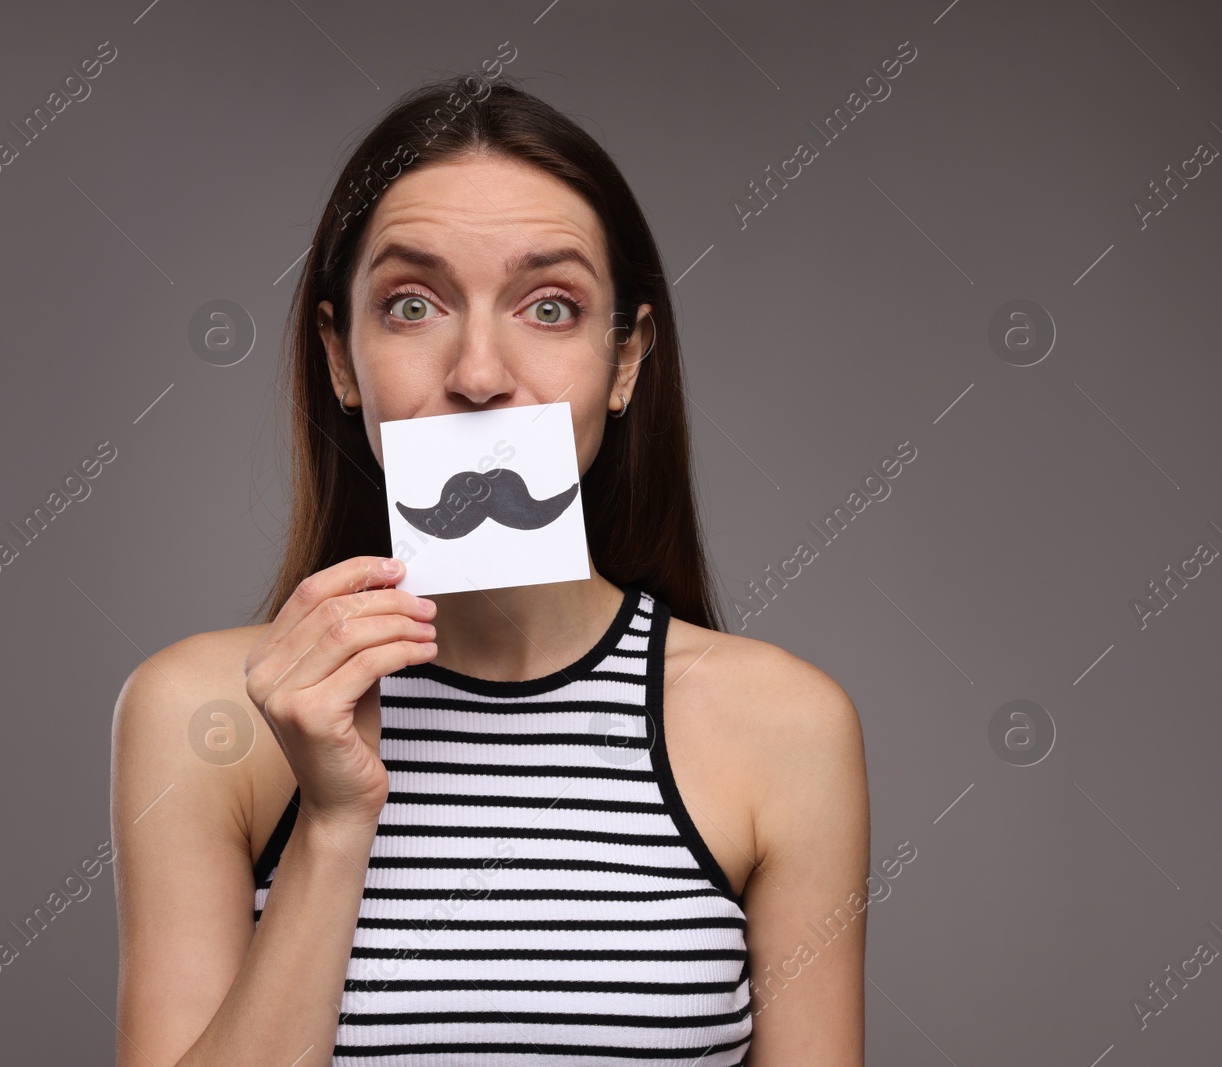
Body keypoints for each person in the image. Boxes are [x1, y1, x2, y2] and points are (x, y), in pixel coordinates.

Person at [110, 72, 869, 1067]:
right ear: (342, 358)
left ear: (626, 357)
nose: (477, 374)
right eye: (412, 303)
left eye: (548, 306)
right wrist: (335, 825)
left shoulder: (788, 728)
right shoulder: (201, 716)